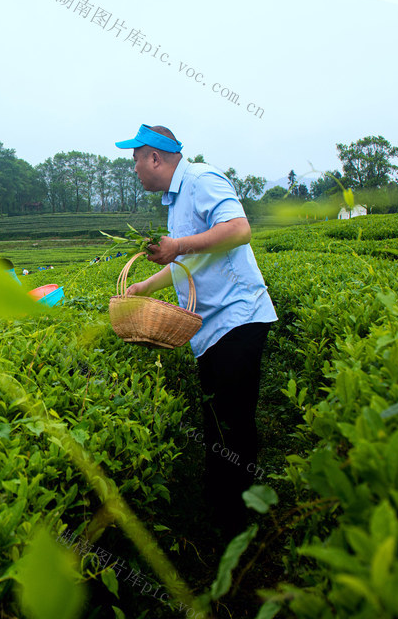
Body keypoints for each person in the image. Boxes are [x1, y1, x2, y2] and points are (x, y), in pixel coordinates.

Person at [115, 124, 277, 536]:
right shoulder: (175, 201)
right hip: (211, 328)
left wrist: (179, 245)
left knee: (233, 422)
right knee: (217, 421)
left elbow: (239, 230)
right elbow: (189, 261)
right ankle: (222, 507)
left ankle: (240, 521)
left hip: (238, 317)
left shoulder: (202, 179)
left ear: (155, 157)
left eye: (136, 159)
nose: (134, 168)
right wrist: (145, 285)